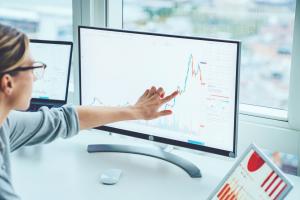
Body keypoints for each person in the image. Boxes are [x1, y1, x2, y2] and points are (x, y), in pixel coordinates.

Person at [0, 23, 178, 200]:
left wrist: (136, 111)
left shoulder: (5, 124)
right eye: (32, 69)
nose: (35, 78)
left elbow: (62, 120)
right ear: (8, 83)